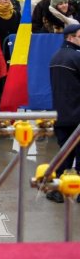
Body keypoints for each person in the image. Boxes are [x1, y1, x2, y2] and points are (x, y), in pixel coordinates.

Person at [47, 21, 80, 201]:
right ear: (71, 37)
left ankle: (56, 190)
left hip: (60, 113)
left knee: (65, 154)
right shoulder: (76, 57)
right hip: (77, 113)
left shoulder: (56, 57)